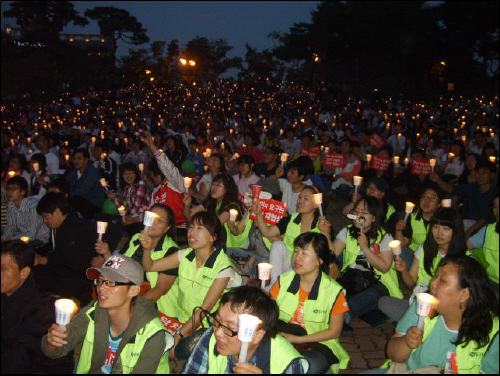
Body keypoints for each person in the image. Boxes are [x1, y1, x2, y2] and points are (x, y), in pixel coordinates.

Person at [41, 254, 173, 373]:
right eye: (100, 281)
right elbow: (57, 350)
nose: (101, 288)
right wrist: (52, 343)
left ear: (133, 290)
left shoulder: (153, 334)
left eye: (110, 283)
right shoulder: (94, 312)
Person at [141, 211, 241, 359]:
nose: (191, 232)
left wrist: (179, 334)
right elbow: (149, 267)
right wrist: (147, 249)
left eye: (199, 228)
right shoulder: (186, 255)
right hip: (181, 317)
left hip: (207, 324)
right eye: (191, 227)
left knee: (174, 350)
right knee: (148, 338)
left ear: (213, 237)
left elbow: (204, 310)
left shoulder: (223, 268)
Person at [384, 255, 498, 374]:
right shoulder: (422, 307)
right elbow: (393, 354)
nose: (433, 283)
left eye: (442, 280)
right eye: (435, 276)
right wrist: (407, 342)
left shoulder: (493, 332)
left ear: (464, 294)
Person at [270, 232, 350, 373]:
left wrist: (297, 339)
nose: (297, 257)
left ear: (320, 260)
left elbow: (334, 332)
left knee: (304, 368)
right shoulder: (284, 280)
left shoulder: (333, 291)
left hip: (319, 343)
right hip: (284, 335)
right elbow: (268, 312)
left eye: (304, 253)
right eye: (296, 251)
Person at [182, 285, 309, 374]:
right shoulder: (211, 336)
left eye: (230, 328)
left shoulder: (287, 363)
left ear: (257, 335)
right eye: (217, 321)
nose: (218, 332)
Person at [378, 207, 468, 322]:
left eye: (445, 229)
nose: (439, 233)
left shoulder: (463, 259)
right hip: (417, 303)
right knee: (384, 302)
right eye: (435, 227)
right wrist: (404, 270)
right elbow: (410, 282)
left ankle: (417, 323)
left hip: (442, 309)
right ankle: (418, 323)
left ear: (455, 231)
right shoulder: (425, 249)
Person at [1, 240, 74, 374]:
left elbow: (22, 359)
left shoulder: (42, 310)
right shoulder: (7, 293)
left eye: (4, 269)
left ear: (24, 272)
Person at [96, 204, 179, 316]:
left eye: (160, 220)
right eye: (151, 217)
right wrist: (106, 253)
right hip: (126, 296)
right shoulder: (136, 238)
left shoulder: (171, 251)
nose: (153, 222)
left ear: (167, 227)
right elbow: (119, 269)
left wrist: (130, 309)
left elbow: (160, 289)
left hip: (154, 306)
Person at [331, 196, 402, 325]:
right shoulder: (347, 231)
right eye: (356, 212)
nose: (358, 215)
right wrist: (325, 233)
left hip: (377, 281)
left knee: (373, 294)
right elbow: (332, 253)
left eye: (364, 213)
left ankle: (344, 315)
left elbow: (384, 267)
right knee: (334, 289)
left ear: (374, 218)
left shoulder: (385, 237)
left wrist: (365, 248)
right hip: (352, 278)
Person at [251, 185, 333, 288]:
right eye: (300, 197)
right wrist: (259, 214)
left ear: (316, 204)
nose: (300, 201)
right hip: (287, 262)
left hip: (306, 268)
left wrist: (327, 234)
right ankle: (275, 285)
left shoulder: (322, 226)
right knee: (278, 245)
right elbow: (267, 232)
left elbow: (330, 254)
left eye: (306, 199)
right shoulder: (292, 219)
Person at [34, 192, 99, 306]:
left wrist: (44, 260)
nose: (45, 221)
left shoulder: (75, 227)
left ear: (58, 212)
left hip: (82, 277)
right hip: (71, 270)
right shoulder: (63, 225)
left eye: (46, 216)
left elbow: (69, 258)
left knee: (38, 274)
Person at [431, 160, 497, 236]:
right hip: (467, 223)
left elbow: (486, 218)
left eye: (484, 173)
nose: (480, 175)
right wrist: (438, 180)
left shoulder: (495, 193)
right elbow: (450, 188)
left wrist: (469, 232)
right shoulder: (472, 187)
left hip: (487, 228)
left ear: (492, 175)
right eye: (478, 172)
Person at [2, 176, 49, 246]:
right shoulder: (11, 205)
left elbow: (32, 234)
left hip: (39, 240)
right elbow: (10, 228)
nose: (10, 192)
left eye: (14, 189)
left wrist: (11, 239)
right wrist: (3, 239)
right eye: (8, 189)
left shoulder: (33, 206)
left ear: (23, 192)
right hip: (22, 238)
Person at [108, 162, 150, 236]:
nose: (128, 176)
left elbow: (136, 207)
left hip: (143, 220)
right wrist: (114, 198)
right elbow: (122, 207)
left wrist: (126, 217)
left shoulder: (141, 184)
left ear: (136, 174)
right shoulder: (126, 189)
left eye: (131, 173)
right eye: (125, 173)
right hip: (132, 219)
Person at [467, 194, 499, 292]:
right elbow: (465, 246)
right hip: (492, 282)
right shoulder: (488, 230)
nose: (498, 210)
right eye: (495, 206)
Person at [66, 148, 105, 219]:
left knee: (75, 198)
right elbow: (66, 185)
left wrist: (67, 197)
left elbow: (84, 189)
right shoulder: (73, 173)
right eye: (74, 159)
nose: (76, 161)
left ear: (86, 160)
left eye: (79, 158)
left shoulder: (93, 172)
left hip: (93, 205)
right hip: (78, 202)